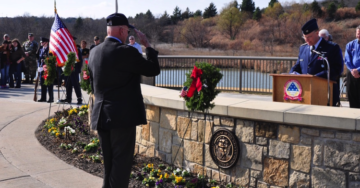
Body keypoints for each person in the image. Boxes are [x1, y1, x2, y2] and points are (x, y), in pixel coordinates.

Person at [88, 13, 160, 188]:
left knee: (110, 166)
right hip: (121, 118)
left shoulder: (94, 52)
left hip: (101, 116)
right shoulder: (125, 52)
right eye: (127, 31)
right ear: (121, 30)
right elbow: (153, 69)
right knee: (121, 166)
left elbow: (93, 83)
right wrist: (147, 46)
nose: (127, 35)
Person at [290, 19, 343, 106]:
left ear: (317, 33)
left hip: (325, 93)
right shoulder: (303, 48)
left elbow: (336, 69)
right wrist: (291, 73)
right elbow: (298, 66)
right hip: (305, 93)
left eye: (309, 37)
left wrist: (314, 78)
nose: (307, 40)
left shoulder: (332, 48)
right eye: (304, 37)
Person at [59, 37, 83, 104]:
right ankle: (68, 98)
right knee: (68, 85)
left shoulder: (77, 50)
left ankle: (79, 98)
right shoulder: (66, 50)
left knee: (76, 85)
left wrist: (78, 69)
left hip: (74, 71)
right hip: (67, 70)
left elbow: (80, 61)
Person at [345, 25, 360, 108]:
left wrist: (358, 70)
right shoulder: (350, 45)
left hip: (358, 71)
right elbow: (347, 60)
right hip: (352, 74)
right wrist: (353, 70)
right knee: (352, 98)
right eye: (358, 34)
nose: (359, 35)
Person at [36, 37, 53, 103]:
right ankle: (43, 97)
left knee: (49, 83)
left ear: (46, 42)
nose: (41, 43)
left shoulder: (50, 50)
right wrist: (39, 66)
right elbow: (39, 59)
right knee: (42, 83)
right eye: (41, 42)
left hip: (47, 68)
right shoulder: (40, 49)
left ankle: (51, 98)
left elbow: (51, 59)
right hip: (42, 68)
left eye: (42, 42)